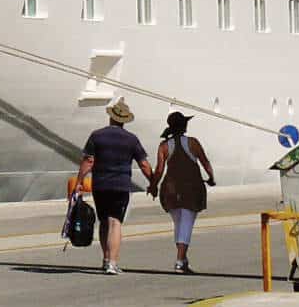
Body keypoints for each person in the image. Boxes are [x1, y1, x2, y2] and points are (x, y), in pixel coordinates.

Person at [76, 98, 155, 275]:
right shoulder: (131, 139)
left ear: (111, 118)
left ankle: (105, 260)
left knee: (104, 222)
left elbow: (88, 161)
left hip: (100, 185)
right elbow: (143, 164)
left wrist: (79, 181)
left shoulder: (97, 135)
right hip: (120, 186)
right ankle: (112, 263)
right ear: (124, 121)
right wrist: (153, 182)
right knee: (115, 222)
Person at [149, 110, 215, 274]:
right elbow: (204, 161)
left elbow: (159, 169)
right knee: (186, 223)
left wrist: (153, 186)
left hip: (170, 189)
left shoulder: (164, 146)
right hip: (190, 188)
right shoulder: (193, 142)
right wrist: (211, 177)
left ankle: (183, 259)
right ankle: (179, 261)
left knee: (179, 223)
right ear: (184, 126)